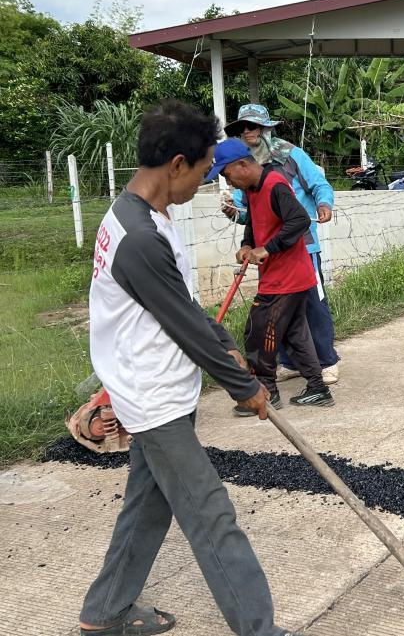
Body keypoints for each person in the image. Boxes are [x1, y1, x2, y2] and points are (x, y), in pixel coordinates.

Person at [80, 100, 297, 636]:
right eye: (202, 173)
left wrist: (226, 348)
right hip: (152, 398)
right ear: (176, 164)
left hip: (158, 387)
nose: (203, 184)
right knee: (212, 517)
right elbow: (183, 323)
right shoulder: (139, 240)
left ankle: (105, 612)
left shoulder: (138, 214)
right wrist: (243, 385)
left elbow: (182, 308)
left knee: (147, 508)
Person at [209, 138, 334, 416]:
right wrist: (246, 244)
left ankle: (267, 390)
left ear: (242, 164)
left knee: (259, 329)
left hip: (287, 277)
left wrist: (268, 249)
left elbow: (299, 220)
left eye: (227, 175)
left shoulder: (274, 184)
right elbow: (254, 222)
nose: (229, 183)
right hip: (281, 276)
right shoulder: (253, 190)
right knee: (294, 334)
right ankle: (318, 388)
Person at [221, 104, 340, 385]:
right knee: (279, 311)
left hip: (301, 245)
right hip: (269, 252)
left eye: (253, 126)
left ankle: (326, 361)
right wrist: (237, 216)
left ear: (266, 128)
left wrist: (324, 203)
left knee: (313, 304)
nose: (247, 131)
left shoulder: (291, 156)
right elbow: (249, 214)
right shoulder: (242, 165)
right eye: (241, 128)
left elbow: (319, 185)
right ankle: (290, 362)